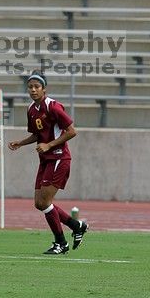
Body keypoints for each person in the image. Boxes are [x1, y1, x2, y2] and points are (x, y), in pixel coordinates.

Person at [8, 71, 88, 254]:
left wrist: (49, 145)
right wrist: (20, 143)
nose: (33, 90)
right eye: (30, 87)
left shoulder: (53, 106)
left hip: (59, 157)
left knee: (45, 201)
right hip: (45, 160)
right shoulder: (31, 109)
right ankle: (76, 226)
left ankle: (61, 242)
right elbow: (37, 135)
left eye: (37, 87)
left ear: (44, 89)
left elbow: (71, 131)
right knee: (39, 203)